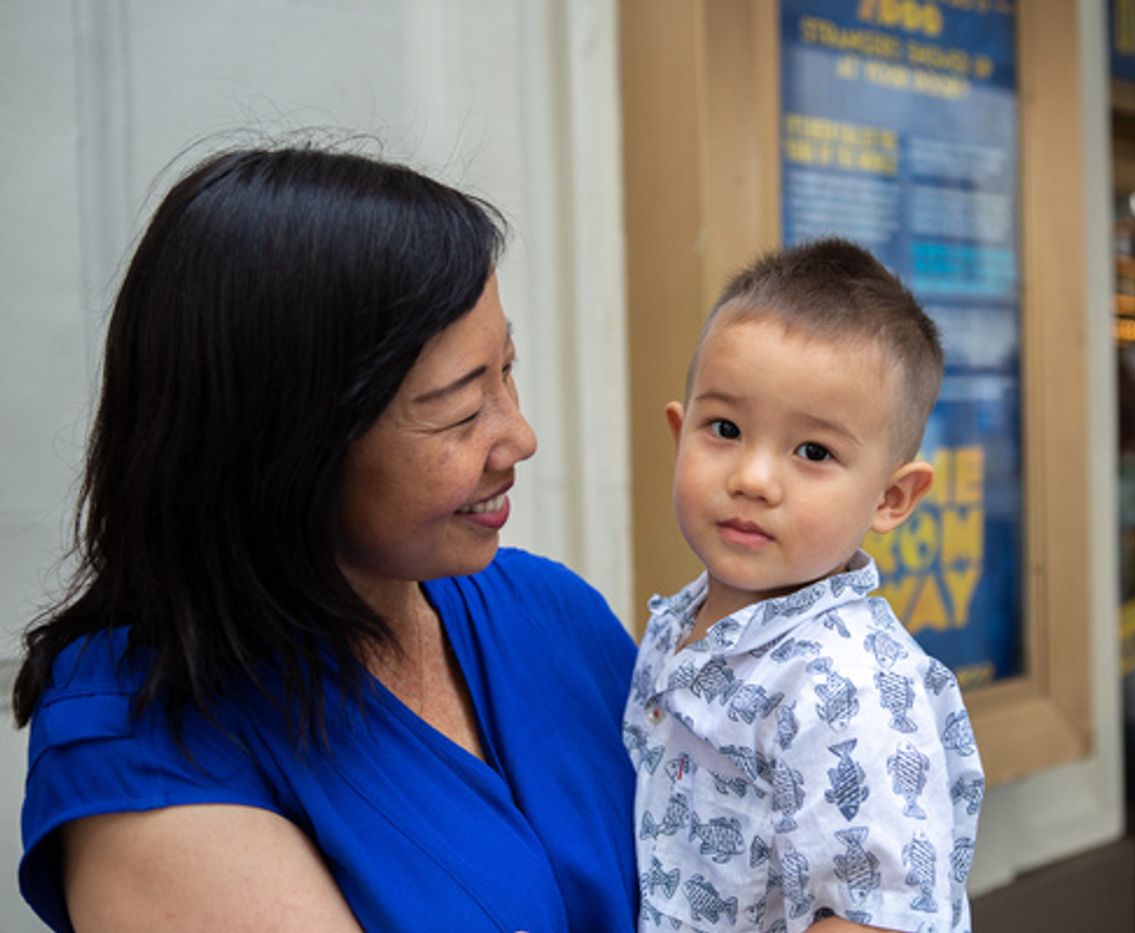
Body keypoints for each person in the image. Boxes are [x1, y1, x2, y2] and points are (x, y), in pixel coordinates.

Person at [14, 146, 638, 932]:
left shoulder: (554, 615)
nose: (520, 435)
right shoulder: (143, 737)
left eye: (506, 370)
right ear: (290, 446)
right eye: (457, 408)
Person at [624, 239, 984, 932]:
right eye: (724, 428)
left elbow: (875, 918)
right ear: (679, 433)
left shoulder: (850, 684)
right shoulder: (677, 624)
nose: (753, 478)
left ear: (892, 498)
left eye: (813, 451)